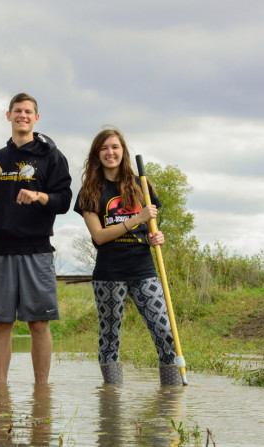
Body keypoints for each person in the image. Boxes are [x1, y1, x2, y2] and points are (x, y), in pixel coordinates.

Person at [0, 93, 72, 384]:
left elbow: (64, 201)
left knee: (39, 324)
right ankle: (0, 391)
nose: (23, 115)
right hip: (0, 251)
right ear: (8, 116)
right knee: (1, 324)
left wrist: (38, 195)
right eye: (17, 111)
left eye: (28, 111)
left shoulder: (52, 157)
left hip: (37, 249)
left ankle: (41, 391)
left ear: (36, 118)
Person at [74, 127, 181, 385]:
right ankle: (112, 401)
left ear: (123, 151)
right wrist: (137, 219)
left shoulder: (142, 186)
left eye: (115, 147)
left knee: (165, 331)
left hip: (144, 270)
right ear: (96, 154)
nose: (110, 153)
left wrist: (157, 237)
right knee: (110, 337)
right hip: (110, 273)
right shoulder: (89, 192)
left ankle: (172, 396)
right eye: (104, 148)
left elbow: (151, 228)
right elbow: (99, 237)